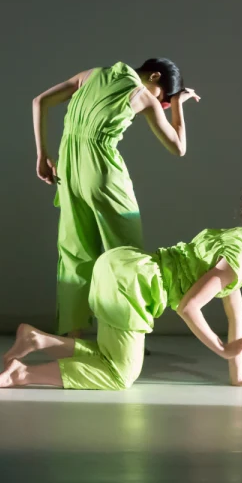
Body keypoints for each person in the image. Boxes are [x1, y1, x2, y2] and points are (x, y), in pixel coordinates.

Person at [0, 175, 242, 390]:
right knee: (120, 374)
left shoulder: (232, 240)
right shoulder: (238, 258)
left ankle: (37, 340)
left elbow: (235, 317)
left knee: (108, 353)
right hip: (134, 285)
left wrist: (237, 376)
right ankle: (22, 374)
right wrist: (221, 349)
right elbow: (189, 306)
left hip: (118, 265)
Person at [32, 58, 200, 339]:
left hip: (68, 171)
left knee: (76, 255)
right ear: (155, 76)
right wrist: (179, 104)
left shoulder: (90, 74)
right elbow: (179, 147)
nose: (161, 104)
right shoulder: (143, 95)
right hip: (103, 173)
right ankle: (122, 338)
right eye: (164, 98)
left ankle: (73, 339)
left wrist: (41, 155)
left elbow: (40, 101)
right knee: (126, 256)